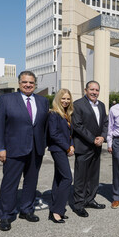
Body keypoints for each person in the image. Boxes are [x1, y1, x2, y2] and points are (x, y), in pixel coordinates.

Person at [0, 71, 49, 231]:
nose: (28, 85)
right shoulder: (6, 100)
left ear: (35, 84)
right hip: (13, 149)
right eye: (25, 82)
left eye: (31, 82)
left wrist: (43, 144)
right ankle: (6, 215)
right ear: (19, 83)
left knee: (31, 182)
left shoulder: (42, 101)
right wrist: (0, 147)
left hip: (36, 148)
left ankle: (26, 209)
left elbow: (44, 126)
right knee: (10, 183)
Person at [72, 81, 108, 217]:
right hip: (84, 146)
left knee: (93, 176)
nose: (94, 92)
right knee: (81, 177)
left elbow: (105, 123)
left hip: (97, 147)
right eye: (92, 89)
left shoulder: (101, 105)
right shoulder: (78, 104)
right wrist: (93, 138)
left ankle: (90, 199)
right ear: (85, 90)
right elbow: (78, 126)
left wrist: (103, 137)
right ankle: (79, 204)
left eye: (97, 90)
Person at [47, 89, 75, 223]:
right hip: (57, 149)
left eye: (68, 99)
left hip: (63, 148)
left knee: (58, 179)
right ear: (58, 99)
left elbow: (70, 133)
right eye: (63, 98)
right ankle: (57, 210)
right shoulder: (53, 114)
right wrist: (67, 147)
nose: (66, 101)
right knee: (67, 178)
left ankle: (55, 209)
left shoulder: (66, 114)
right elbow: (54, 134)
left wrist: (72, 144)